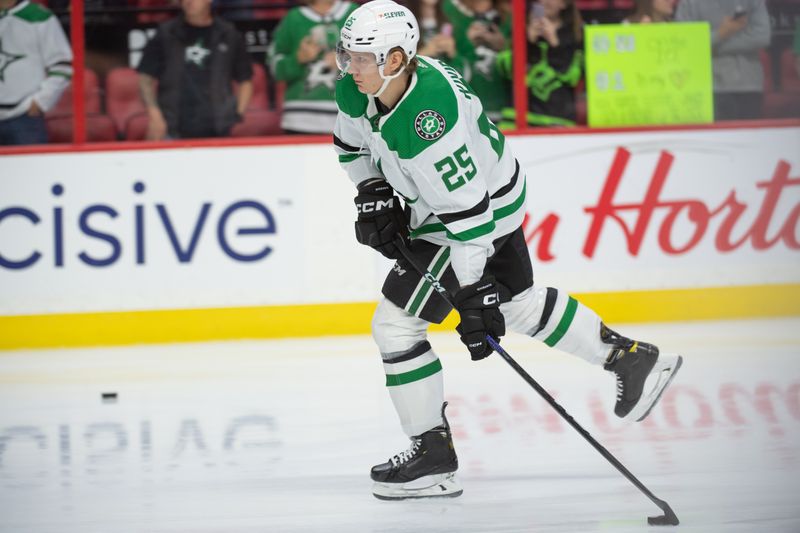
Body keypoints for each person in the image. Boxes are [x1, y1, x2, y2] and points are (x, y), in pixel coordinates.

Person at [333, 0, 683, 500]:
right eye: (347, 54)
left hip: (476, 215)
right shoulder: (363, 86)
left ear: (394, 59)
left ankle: (432, 457)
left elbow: (470, 222)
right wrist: (372, 190)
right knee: (517, 304)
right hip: (468, 200)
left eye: (361, 57)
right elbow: (350, 144)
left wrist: (473, 292)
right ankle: (630, 359)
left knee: (394, 325)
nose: (349, 67)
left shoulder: (429, 125)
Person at [137, 0, 253, 140]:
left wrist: (237, 116)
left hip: (218, 129)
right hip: (172, 127)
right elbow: (145, 79)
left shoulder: (229, 34)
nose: (189, 1)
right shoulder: (166, 33)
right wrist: (155, 116)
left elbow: (245, 80)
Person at [267, 0, 357, 134]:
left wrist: (345, 59)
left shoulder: (354, 14)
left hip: (349, 117)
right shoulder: (293, 18)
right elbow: (274, 68)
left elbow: (377, 60)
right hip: (299, 119)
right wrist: (298, 59)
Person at [675, 0, 771, 121]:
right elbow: (685, 44)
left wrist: (711, 47)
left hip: (748, 85)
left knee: (748, 138)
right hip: (708, 88)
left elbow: (761, 37)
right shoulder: (689, 3)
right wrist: (721, 33)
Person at [496, 0, 583, 128]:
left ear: (564, 4)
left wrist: (555, 45)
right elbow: (505, 69)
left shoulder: (576, 35)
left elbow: (573, 78)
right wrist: (528, 42)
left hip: (557, 121)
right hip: (516, 120)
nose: (543, 1)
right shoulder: (520, 28)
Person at [0, 0, 72, 145]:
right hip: (25, 118)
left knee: (30, 167)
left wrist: (40, 102)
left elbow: (62, 65)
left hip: (24, 117)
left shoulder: (40, 16)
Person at [441, 0, 510, 121]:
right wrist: (468, 43)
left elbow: (520, 68)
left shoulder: (509, 15)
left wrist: (503, 46)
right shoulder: (451, 11)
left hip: (502, 107)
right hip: (467, 109)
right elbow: (451, 66)